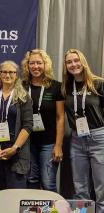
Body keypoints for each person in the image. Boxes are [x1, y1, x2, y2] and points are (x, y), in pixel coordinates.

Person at [61, 49, 104, 212]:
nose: (73, 65)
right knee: (80, 186)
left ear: (83, 62)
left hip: (99, 138)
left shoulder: (99, 83)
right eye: (69, 62)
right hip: (77, 140)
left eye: (76, 60)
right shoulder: (65, 87)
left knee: (101, 187)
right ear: (66, 66)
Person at [0, 60, 33, 197]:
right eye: (4, 72)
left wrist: (15, 148)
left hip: (17, 154)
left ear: (16, 75)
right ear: (0, 74)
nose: (7, 75)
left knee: (15, 197)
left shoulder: (24, 97)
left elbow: (28, 126)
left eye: (11, 72)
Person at [22, 49, 65, 192]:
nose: (35, 67)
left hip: (49, 144)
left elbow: (60, 117)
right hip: (27, 144)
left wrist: (58, 146)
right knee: (31, 181)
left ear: (45, 64)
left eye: (39, 63)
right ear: (27, 66)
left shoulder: (56, 87)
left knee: (48, 184)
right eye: (32, 63)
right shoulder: (22, 87)